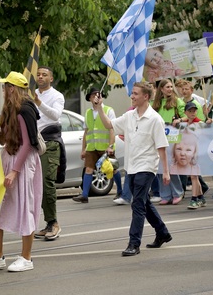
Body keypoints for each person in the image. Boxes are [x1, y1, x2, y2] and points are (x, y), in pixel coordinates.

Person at [93, 82, 172, 256]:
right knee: (144, 201)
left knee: (137, 204)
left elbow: (161, 147)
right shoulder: (129, 116)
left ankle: (134, 243)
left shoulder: (155, 119)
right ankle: (162, 233)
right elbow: (109, 125)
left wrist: (165, 171)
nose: (132, 96)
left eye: (136, 93)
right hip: (132, 166)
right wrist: (99, 108)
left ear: (146, 96)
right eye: (132, 93)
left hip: (147, 166)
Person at [0, 71, 43, 272]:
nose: (3, 89)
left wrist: (14, 171)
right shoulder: (9, 109)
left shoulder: (24, 109)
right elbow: (4, 140)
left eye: (5, 86)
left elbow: (27, 145)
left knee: (26, 208)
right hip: (10, 159)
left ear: (12, 88)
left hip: (21, 164)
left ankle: (26, 257)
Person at [33, 66, 65, 241]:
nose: (40, 77)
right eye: (38, 74)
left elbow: (55, 115)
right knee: (35, 186)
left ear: (51, 78)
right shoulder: (31, 94)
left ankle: (53, 223)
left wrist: (38, 103)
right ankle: (46, 223)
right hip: (33, 143)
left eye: (44, 75)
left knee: (47, 182)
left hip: (50, 143)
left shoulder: (57, 96)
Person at [73, 88, 116, 204]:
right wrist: (83, 149)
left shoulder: (108, 110)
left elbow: (112, 129)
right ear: (90, 98)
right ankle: (84, 195)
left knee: (111, 170)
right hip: (92, 147)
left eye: (98, 95)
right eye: (93, 96)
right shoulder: (88, 113)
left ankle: (120, 192)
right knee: (88, 169)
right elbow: (86, 132)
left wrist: (111, 145)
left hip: (105, 146)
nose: (96, 97)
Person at [152, 79, 185, 205]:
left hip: (173, 138)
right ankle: (165, 194)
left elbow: (186, 116)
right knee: (160, 166)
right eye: (167, 87)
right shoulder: (156, 104)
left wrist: (180, 119)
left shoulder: (177, 101)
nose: (170, 89)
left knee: (171, 165)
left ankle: (177, 192)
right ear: (161, 89)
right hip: (159, 137)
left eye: (171, 87)